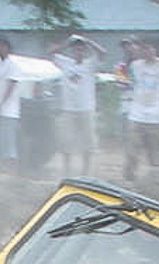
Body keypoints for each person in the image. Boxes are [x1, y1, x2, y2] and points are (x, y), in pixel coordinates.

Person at [49, 33, 103, 176]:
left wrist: (88, 41)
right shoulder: (65, 62)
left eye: (81, 49)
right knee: (67, 140)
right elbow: (51, 53)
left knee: (88, 142)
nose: (78, 51)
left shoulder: (90, 64)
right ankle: (67, 171)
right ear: (72, 51)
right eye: (76, 49)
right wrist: (68, 42)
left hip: (86, 108)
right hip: (69, 109)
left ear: (84, 51)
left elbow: (103, 53)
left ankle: (86, 172)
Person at [124, 40, 159, 179]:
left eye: (150, 49)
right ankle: (129, 176)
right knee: (132, 150)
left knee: (155, 151)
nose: (148, 52)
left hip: (156, 116)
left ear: (155, 50)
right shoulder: (135, 65)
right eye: (145, 49)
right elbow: (126, 71)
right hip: (137, 115)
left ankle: (156, 177)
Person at [0, 36, 23, 175]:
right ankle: (1, 167)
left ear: (6, 47)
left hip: (9, 111)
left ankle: (12, 170)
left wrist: (1, 103)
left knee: (8, 141)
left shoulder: (12, 66)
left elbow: (11, 87)